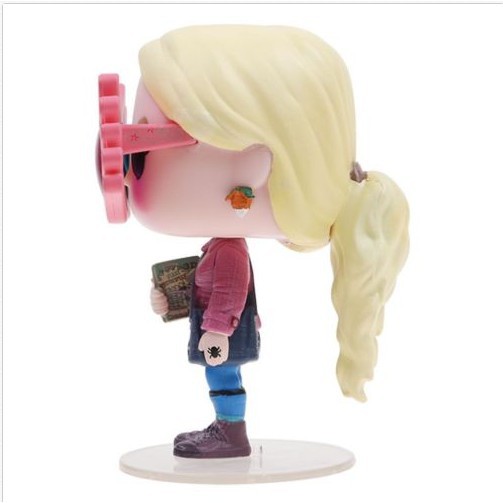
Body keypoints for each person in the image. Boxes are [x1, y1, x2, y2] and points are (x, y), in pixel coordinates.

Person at [100, 25, 409, 458]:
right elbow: (211, 284)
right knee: (220, 379)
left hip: (224, 332)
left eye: (143, 147)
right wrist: (169, 299)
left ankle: (231, 432)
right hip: (221, 328)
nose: (121, 159)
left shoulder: (229, 251)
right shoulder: (220, 247)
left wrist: (218, 329)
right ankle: (225, 427)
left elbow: (228, 291)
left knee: (224, 378)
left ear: (251, 168)